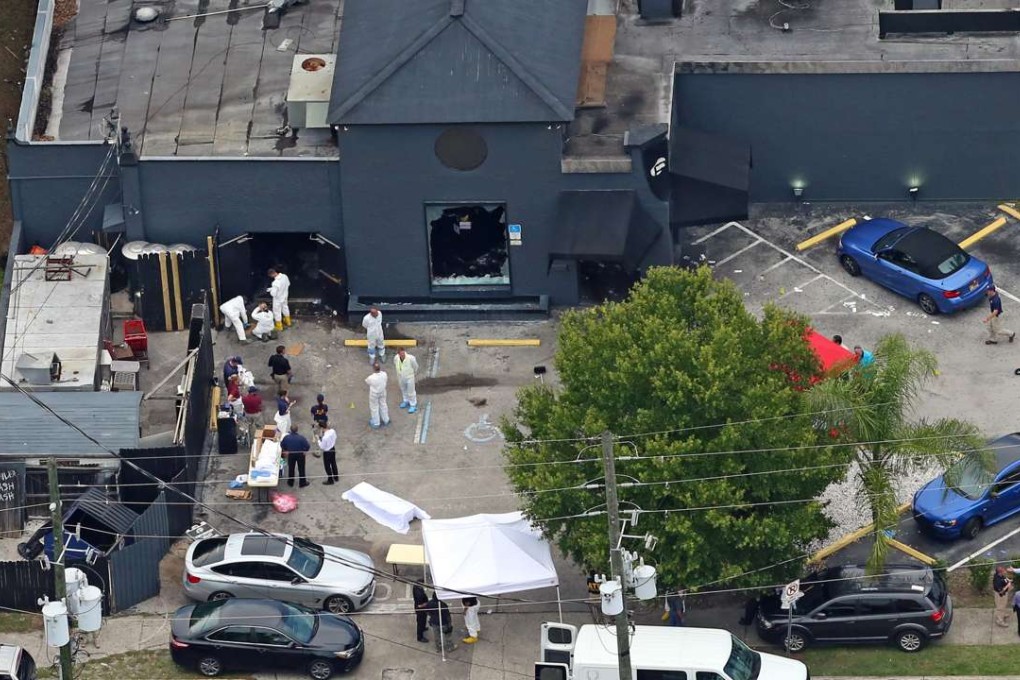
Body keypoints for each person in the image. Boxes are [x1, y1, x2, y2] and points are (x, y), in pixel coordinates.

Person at [365, 362, 390, 429]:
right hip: (383, 391)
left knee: (374, 407)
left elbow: (367, 382)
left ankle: (376, 422)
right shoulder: (384, 374)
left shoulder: (371, 377)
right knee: (383, 404)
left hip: (374, 394)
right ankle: (386, 419)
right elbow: (386, 380)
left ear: (373, 369)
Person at [394, 348, 420, 414]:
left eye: (403, 353)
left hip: (409, 377)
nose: (402, 354)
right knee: (403, 389)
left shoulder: (411, 358)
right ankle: (406, 400)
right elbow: (395, 364)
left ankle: (413, 404)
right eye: (401, 353)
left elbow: (415, 367)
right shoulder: (396, 358)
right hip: (400, 377)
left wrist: (413, 374)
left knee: (411, 391)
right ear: (398, 354)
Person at [317, 418, 338, 485]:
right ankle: (336, 477)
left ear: (321, 428)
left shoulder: (325, 437)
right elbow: (335, 437)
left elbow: (322, 446)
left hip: (327, 452)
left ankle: (330, 480)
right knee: (333, 463)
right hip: (333, 448)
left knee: (327, 466)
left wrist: (318, 440)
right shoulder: (332, 431)